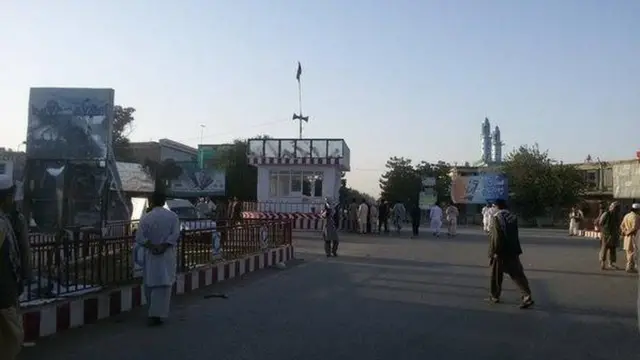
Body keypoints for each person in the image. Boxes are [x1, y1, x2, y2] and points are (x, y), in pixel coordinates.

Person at [134, 191, 181, 326]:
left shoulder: (146, 218)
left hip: (151, 255)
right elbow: (175, 234)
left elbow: (139, 238)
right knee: (165, 285)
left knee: (151, 283)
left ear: (151, 201)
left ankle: (152, 312)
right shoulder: (172, 216)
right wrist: (163, 246)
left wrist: (152, 246)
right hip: (166, 255)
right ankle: (158, 314)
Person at [0, 176, 31, 359]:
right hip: (3, 295)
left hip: (8, 292)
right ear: (6, 198)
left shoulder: (11, 218)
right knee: (11, 340)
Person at [487, 198, 534, 309]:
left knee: (496, 275)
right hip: (513, 250)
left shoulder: (497, 218)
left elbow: (496, 237)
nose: (492, 208)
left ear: (497, 206)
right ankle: (527, 295)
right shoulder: (512, 217)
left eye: (493, 206)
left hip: (501, 251)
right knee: (517, 274)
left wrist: (493, 251)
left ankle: (495, 295)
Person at [598, 201, 621, 270]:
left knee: (613, 249)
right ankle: (603, 263)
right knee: (605, 248)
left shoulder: (617, 215)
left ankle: (611, 263)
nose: (617, 209)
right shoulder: (606, 214)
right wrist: (604, 231)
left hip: (614, 235)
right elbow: (600, 222)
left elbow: (618, 224)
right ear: (612, 207)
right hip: (606, 235)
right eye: (616, 207)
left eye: (618, 208)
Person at [619, 203, 639, 273]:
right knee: (633, 252)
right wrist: (628, 233)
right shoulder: (636, 217)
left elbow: (621, 225)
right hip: (634, 236)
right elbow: (634, 228)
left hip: (627, 238)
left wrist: (625, 232)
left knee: (628, 252)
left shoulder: (626, 215)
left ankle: (630, 266)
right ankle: (629, 267)